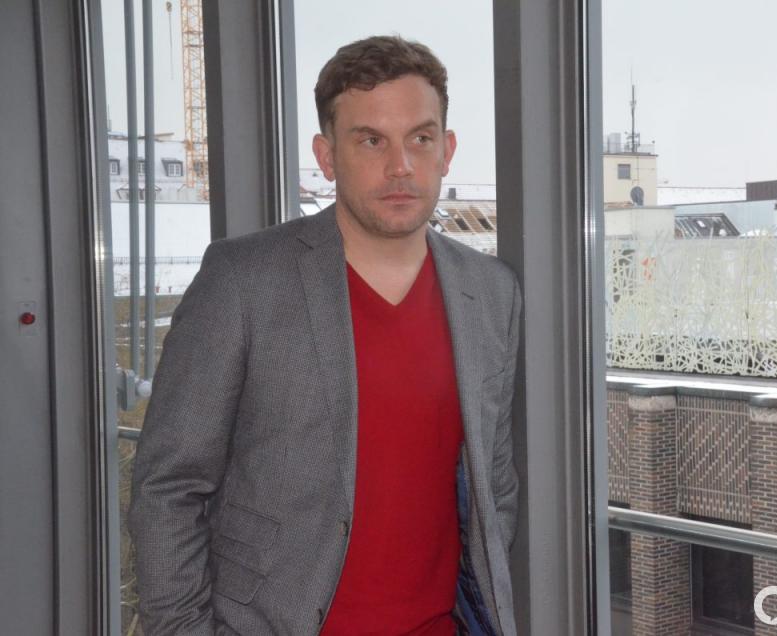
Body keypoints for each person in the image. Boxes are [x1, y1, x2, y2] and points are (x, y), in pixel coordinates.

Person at [129, 36, 521, 636]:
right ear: (327, 155)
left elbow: (494, 485)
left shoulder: (491, 292)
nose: (400, 165)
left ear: (446, 151)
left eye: (420, 138)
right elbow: (170, 487)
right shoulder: (244, 281)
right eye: (371, 141)